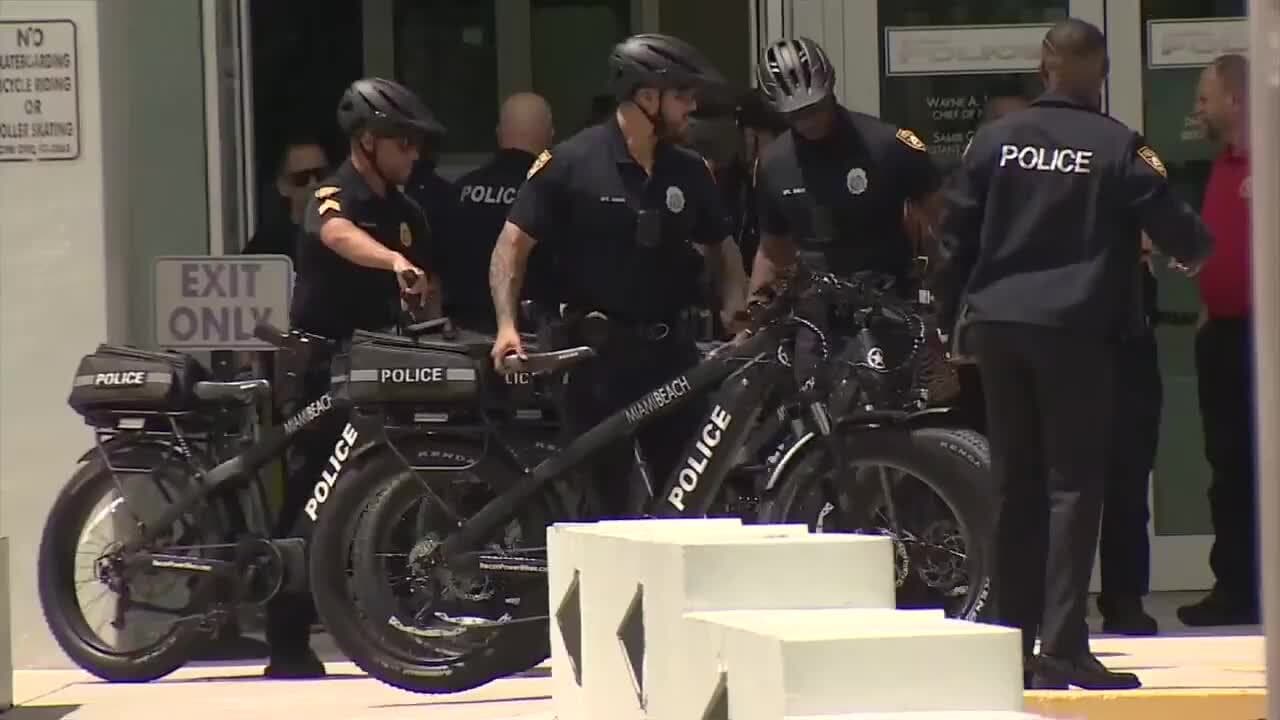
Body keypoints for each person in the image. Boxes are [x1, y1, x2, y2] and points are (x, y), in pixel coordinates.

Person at [932, 19, 1213, 690]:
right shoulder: (1118, 147)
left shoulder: (995, 141)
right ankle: (1061, 644)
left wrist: (948, 322)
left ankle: (1011, 639)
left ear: (1044, 65)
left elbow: (952, 239)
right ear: (1103, 71)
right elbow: (1184, 233)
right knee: (1073, 487)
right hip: (1075, 334)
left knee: (1013, 485)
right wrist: (1186, 251)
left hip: (1000, 328)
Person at [488, 33, 748, 517]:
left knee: (688, 502)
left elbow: (724, 248)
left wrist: (736, 302)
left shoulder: (690, 170)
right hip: (595, 364)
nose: (692, 105)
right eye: (682, 94)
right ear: (647, 96)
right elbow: (511, 247)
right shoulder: (570, 162)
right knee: (605, 508)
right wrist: (506, 325)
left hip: (673, 360)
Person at [272, 77, 442, 679]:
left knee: (373, 488)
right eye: (404, 143)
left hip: (378, 366)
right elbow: (338, 235)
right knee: (309, 493)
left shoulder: (409, 211)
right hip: (319, 365)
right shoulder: (331, 195)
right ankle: (286, 641)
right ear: (368, 142)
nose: (414, 155)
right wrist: (392, 259)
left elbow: (427, 283)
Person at [750, 36, 944, 299]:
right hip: (815, 310)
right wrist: (753, 320)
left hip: (890, 304)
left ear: (831, 89)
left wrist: (946, 290)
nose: (808, 121)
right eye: (796, 114)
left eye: (815, 108)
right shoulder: (774, 164)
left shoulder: (888, 144)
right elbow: (772, 252)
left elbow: (944, 223)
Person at [1178, 53, 1257, 628]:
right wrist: (1211, 305)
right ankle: (1236, 587)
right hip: (1225, 337)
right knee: (1227, 467)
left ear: (1235, 99)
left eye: (1205, 97)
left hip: (1265, 341)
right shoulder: (1225, 166)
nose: (1197, 109)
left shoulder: (1272, 161)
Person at [443, 92, 556, 331]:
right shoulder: (549, 191)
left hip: (462, 333)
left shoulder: (461, 189)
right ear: (549, 135)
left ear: (499, 133)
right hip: (526, 335)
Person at [1098, 242, 1163, 635]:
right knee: (1062, 483)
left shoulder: (1132, 179)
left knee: (1129, 474)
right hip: (1069, 330)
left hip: (1131, 332)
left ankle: (1124, 598)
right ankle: (1051, 605)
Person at [243, 134, 331, 260]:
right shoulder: (266, 250)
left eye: (321, 175)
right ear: (282, 186)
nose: (314, 184)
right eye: (302, 178)